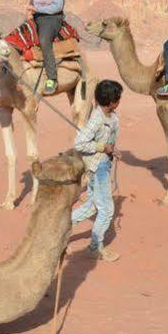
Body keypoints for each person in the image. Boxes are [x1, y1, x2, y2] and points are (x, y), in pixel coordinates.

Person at [71, 79, 123, 262]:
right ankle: (95, 247)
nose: (119, 101)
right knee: (107, 210)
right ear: (111, 102)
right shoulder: (96, 119)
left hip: (104, 164)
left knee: (93, 206)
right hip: (98, 168)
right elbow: (79, 143)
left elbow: (108, 141)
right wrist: (102, 147)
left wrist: (112, 150)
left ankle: (60, 224)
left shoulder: (111, 116)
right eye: (118, 98)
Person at [27, 0, 66, 95]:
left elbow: (57, 6)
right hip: (37, 18)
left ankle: (52, 78)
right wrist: (33, 10)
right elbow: (32, 5)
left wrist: (38, 8)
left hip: (52, 19)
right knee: (18, 37)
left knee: (44, 41)